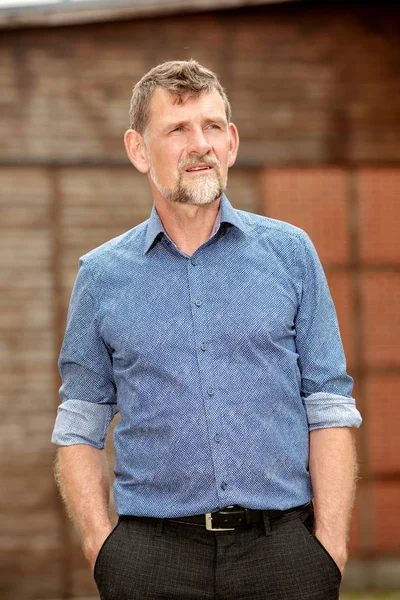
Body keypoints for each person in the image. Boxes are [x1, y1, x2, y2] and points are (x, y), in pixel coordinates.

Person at [51, 60, 362, 600]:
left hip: (284, 554)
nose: (201, 144)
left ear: (232, 141)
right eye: (178, 129)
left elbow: (328, 402)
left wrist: (329, 548)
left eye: (213, 126)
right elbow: (79, 422)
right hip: (151, 561)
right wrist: (103, 549)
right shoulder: (101, 277)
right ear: (138, 149)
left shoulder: (291, 254)